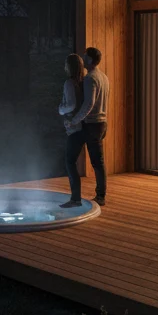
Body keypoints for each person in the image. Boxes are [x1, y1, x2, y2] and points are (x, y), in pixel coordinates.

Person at [60, 46, 110, 208]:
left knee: (73, 160)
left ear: (89, 59)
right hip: (102, 122)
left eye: (85, 56)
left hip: (91, 124)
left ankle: (80, 199)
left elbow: (89, 104)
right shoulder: (104, 77)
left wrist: (75, 120)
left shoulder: (90, 79)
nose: (83, 59)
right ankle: (100, 195)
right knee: (98, 162)